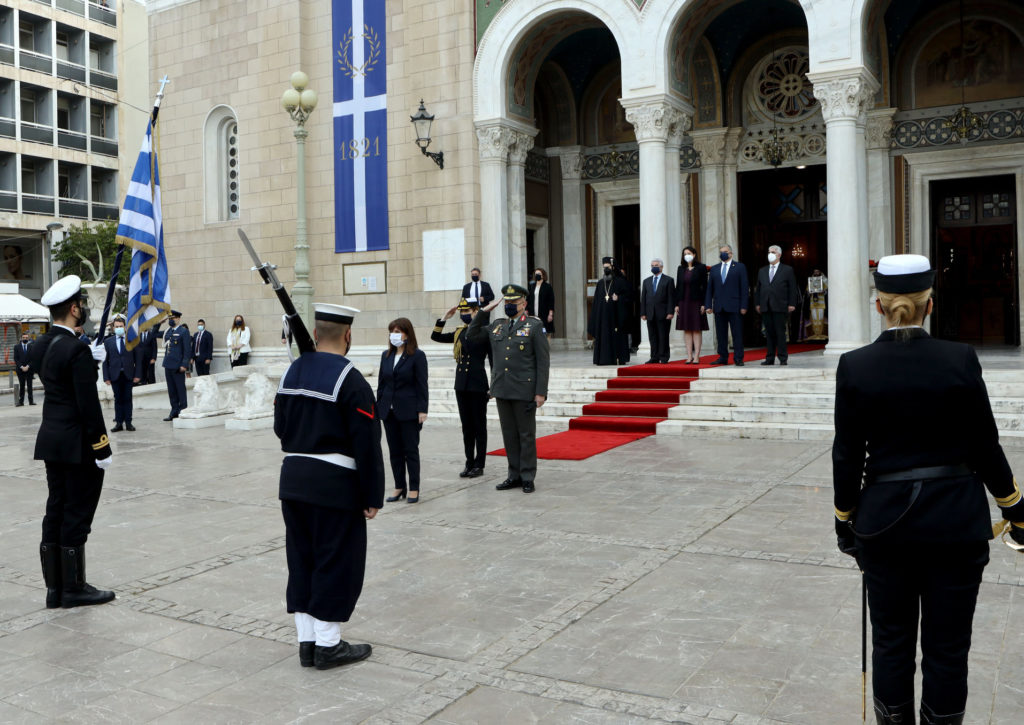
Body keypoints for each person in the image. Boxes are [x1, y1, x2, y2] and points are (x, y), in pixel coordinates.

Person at [833, 254, 1024, 725]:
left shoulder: (855, 365)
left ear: (878, 306)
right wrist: (1016, 507)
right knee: (948, 649)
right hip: (955, 524)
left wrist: (845, 520)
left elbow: (847, 456)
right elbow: (985, 446)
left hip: (884, 528)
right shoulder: (958, 358)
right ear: (929, 304)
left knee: (891, 644)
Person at [274, 303, 384, 670]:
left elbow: (280, 428)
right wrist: (372, 495)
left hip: (293, 481)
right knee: (334, 562)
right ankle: (328, 645)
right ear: (348, 336)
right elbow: (366, 442)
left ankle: (307, 643)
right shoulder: (351, 380)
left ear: (316, 334)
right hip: (334, 486)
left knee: (302, 560)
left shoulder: (293, 371)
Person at [29, 275, 114, 609]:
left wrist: (86, 364)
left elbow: (59, 381)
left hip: (51, 439)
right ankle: (74, 588)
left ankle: (55, 589)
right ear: (75, 308)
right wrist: (102, 446)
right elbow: (87, 405)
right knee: (77, 513)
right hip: (78, 443)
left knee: (56, 509)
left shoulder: (41, 345)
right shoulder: (75, 348)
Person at [467, 284, 550, 493]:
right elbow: (472, 334)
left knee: (526, 435)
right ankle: (514, 475)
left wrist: (541, 392)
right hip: (502, 389)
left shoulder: (533, 326)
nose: (510, 306)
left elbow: (543, 362)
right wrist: (484, 311)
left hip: (524, 390)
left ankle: (528, 476)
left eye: (514, 302)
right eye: (508, 302)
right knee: (509, 435)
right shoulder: (498, 325)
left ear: (524, 304)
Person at [431, 298, 493, 477]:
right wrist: (444, 317)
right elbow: (436, 336)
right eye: (462, 313)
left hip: (478, 384)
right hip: (462, 384)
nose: (465, 315)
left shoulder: (484, 332)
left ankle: (479, 464)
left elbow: (492, 361)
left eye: (468, 312)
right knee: (467, 426)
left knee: (479, 426)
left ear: (476, 312)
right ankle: (469, 462)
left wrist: (493, 385)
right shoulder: (459, 332)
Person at [377, 318, 428, 503]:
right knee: (394, 451)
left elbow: (422, 384)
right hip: (388, 412)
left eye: (398, 331)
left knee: (410, 451)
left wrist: (422, 409)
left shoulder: (417, 356)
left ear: (407, 333)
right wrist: (379, 406)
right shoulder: (386, 355)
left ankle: (414, 487)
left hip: (408, 410)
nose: (394, 335)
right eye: (392, 331)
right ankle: (399, 486)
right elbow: (381, 384)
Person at [755, 244, 801, 366]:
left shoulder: (787, 270)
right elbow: (758, 289)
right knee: (769, 333)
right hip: (766, 305)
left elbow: (792, 288)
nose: (771, 254)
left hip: (780, 306)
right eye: (769, 252)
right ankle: (769, 358)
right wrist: (758, 303)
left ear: (779, 255)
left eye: (773, 252)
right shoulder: (762, 270)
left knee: (780, 333)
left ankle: (782, 358)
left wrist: (792, 303)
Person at [703, 244, 749, 366]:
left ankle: (739, 358)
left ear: (731, 253)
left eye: (725, 251)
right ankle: (723, 357)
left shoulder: (739, 267)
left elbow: (744, 288)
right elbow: (710, 289)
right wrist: (708, 305)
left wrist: (744, 306)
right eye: (721, 252)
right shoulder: (714, 269)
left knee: (737, 333)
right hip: (719, 306)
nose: (722, 253)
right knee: (721, 334)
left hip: (735, 306)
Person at [588, 256, 632, 366]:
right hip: (602, 318)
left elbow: (629, 298)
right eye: (604, 268)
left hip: (615, 317)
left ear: (612, 267)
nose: (605, 270)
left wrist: (619, 299)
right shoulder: (600, 284)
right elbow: (597, 302)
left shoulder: (620, 282)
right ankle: (602, 359)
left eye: (607, 267)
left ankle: (617, 358)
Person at [102, 317, 140, 432]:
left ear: (125, 327)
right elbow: (105, 361)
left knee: (128, 398)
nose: (119, 328)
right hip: (115, 375)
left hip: (128, 374)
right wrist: (106, 377)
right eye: (116, 326)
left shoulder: (132, 340)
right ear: (113, 328)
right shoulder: (108, 342)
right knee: (118, 399)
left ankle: (128, 422)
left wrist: (138, 374)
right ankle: (119, 423)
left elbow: (137, 360)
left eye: (121, 326)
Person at [674, 246, 709, 364]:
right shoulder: (680, 268)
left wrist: (705, 303)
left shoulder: (701, 268)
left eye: (688, 253)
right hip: (683, 302)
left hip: (696, 301)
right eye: (684, 254)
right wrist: (676, 304)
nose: (686, 256)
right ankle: (689, 356)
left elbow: (705, 287)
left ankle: (697, 356)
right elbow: (678, 286)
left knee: (696, 329)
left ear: (694, 254)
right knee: (687, 329)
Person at [640, 258, 675, 364]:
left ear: (661, 267)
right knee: (652, 336)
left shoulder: (668, 280)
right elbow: (643, 298)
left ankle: (664, 357)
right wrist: (643, 313)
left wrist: (670, 312)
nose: (654, 267)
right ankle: (654, 357)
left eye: (656, 265)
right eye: (652, 265)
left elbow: (671, 297)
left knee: (663, 335)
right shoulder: (646, 281)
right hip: (650, 313)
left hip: (664, 313)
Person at [162, 310, 190, 421]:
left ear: (178, 319)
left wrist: (184, 364)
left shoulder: (183, 331)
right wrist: (159, 323)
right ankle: (174, 411)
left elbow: (187, 350)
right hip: (168, 364)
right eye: (169, 319)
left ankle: (182, 410)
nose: (171, 320)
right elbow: (154, 334)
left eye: (173, 318)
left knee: (180, 389)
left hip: (178, 366)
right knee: (171, 390)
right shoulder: (168, 331)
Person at [526, 267, 555, 336]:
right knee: (533, 331)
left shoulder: (547, 287)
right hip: (533, 313)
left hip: (544, 313)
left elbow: (551, 301)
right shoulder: (532, 286)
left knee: (545, 332)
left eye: (539, 274)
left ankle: (545, 346)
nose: (537, 275)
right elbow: (528, 299)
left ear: (543, 275)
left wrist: (550, 314)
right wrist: (526, 310)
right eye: (536, 274)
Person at [13, 331, 35, 406]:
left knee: (30, 385)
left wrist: (27, 366)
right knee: (22, 385)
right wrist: (22, 367)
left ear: (28, 338)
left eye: (26, 338)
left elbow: (33, 359)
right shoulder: (16, 347)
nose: (25, 339)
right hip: (20, 369)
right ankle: (21, 402)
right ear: (21, 338)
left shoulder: (31, 347)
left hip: (29, 369)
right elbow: (16, 359)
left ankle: (31, 401)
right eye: (23, 338)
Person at [807, 269, 828, 340]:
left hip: (821, 303)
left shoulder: (823, 281)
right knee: (815, 318)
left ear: (820, 272)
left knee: (821, 318)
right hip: (813, 303)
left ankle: (821, 334)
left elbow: (826, 290)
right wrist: (809, 292)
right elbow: (808, 291)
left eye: (817, 271)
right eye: (815, 272)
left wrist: (823, 291)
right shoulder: (811, 281)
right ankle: (815, 335)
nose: (816, 273)